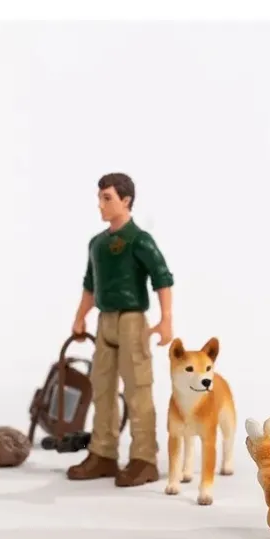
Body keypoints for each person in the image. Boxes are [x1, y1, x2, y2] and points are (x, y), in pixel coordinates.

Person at [67, 173, 174, 487]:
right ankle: (103, 452)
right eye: (100, 198)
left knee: (137, 388)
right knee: (101, 387)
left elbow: (162, 277)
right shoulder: (97, 244)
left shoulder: (139, 240)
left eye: (107, 198)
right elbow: (90, 284)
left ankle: (144, 458)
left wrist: (166, 319)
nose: (101, 205)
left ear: (126, 200)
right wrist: (80, 316)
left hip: (131, 321)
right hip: (105, 321)